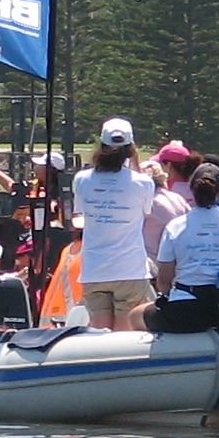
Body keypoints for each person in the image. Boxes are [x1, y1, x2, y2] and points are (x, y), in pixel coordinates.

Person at [72, 117, 157, 331]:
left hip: (94, 268)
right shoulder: (144, 183)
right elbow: (146, 212)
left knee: (99, 334)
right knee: (124, 336)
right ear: (130, 149)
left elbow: (80, 213)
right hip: (129, 268)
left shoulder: (82, 179)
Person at [148, 163, 219, 333]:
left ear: (191, 190)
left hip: (185, 311)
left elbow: (164, 282)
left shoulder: (176, 227)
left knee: (136, 315)